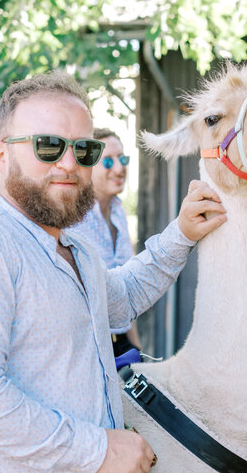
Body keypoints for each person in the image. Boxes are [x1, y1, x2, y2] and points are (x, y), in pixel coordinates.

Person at [0, 70, 227, 473]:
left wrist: (181, 233)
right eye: (48, 146)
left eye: (84, 150)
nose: (69, 163)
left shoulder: (76, 248)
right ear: (2, 154)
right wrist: (99, 450)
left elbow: (121, 299)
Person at [72, 127, 141, 357]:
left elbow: (126, 289)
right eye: (108, 162)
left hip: (123, 342)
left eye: (122, 158)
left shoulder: (119, 212)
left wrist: (137, 348)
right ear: (88, 165)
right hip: (90, 348)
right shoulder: (72, 219)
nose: (120, 168)